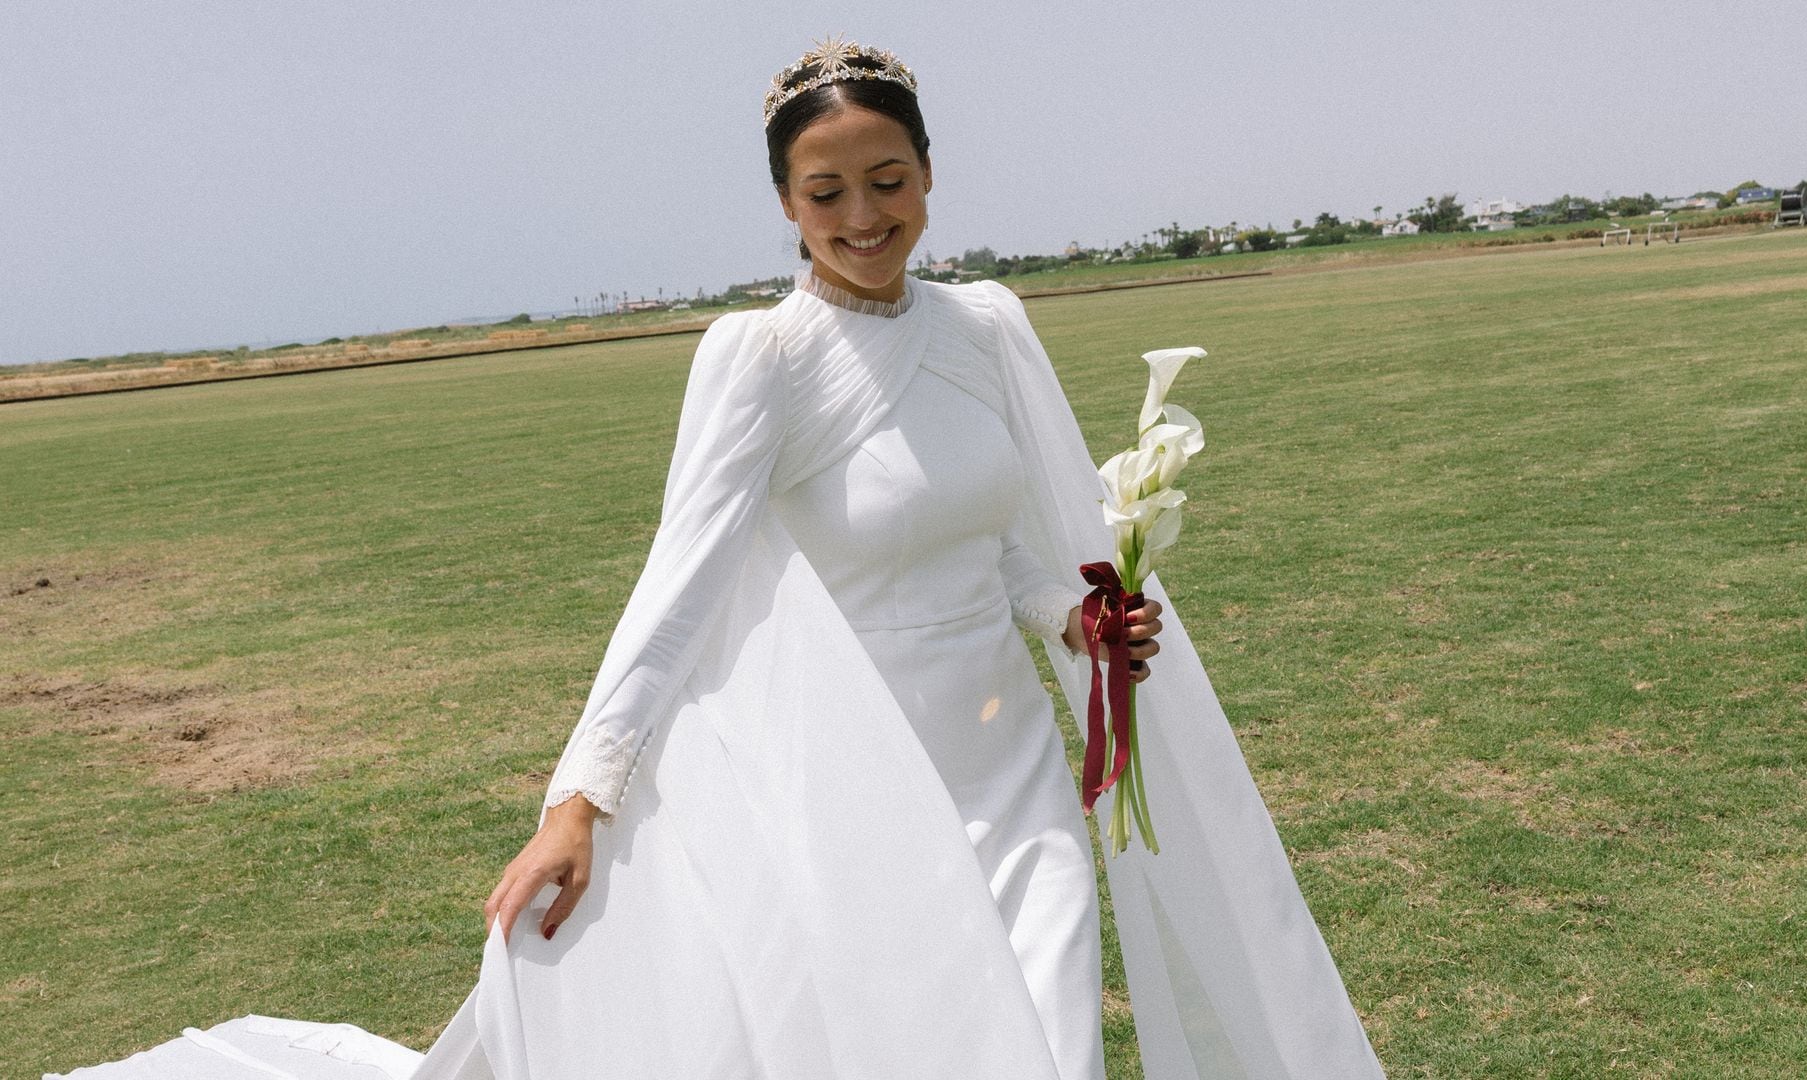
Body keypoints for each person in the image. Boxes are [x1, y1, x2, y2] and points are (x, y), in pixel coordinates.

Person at [51, 38, 1383, 1080]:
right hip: (850, 783)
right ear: (785, 203)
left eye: (888, 181)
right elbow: (677, 584)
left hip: (1009, 772)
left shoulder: (989, 330)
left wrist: (1088, 626)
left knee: (1042, 1033)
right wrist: (586, 795)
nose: (863, 216)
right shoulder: (764, 360)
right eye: (827, 192)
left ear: (929, 176)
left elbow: (1028, 571)